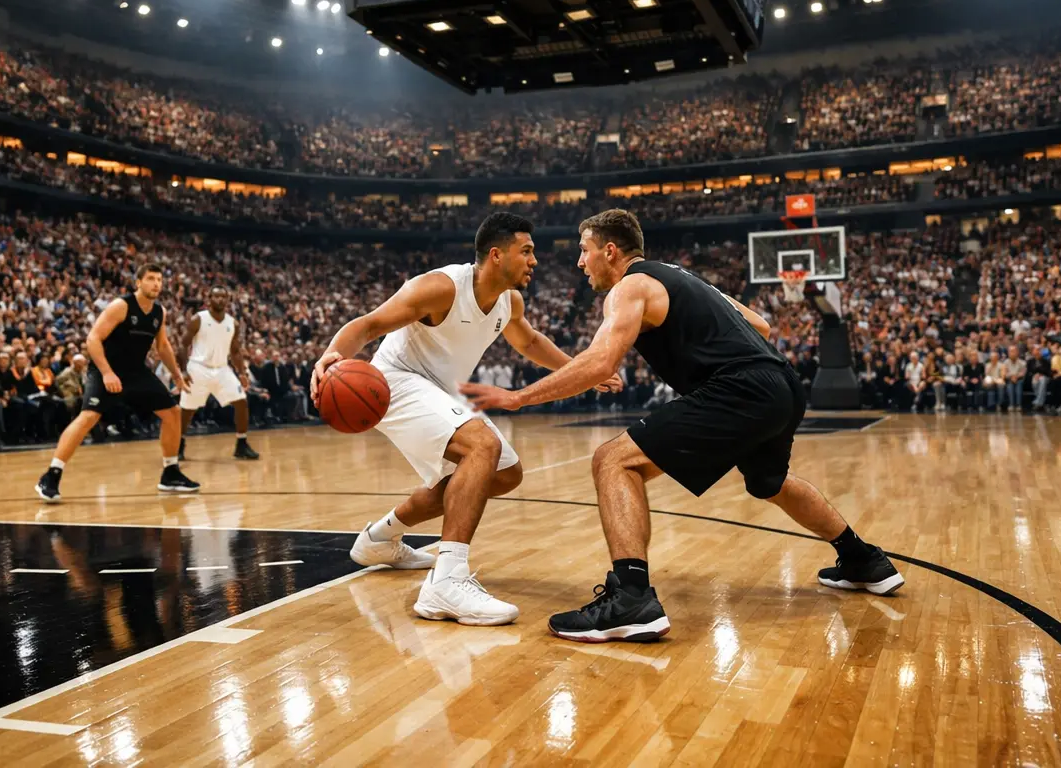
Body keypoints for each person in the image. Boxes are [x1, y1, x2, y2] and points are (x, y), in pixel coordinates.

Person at [463, 210, 902, 643]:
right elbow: (761, 326)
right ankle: (863, 559)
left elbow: (599, 362)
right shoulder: (683, 277)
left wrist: (517, 397)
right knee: (770, 483)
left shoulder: (630, 286)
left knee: (613, 460)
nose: (580, 262)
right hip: (782, 384)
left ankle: (631, 598)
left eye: (584, 250)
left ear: (610, 251)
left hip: (741, 389)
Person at [311, 212, 620, 627]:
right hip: (396, 380)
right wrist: (330, 357)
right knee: (482, 446)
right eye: (526, 251)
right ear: (496, 255)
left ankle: (380, 538)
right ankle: (446, 581)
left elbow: (529, 341)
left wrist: (581, 369)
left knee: (505, 474)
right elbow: (369, 325)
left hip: (442, 389)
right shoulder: (441, 287)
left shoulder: (510, 301)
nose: (534, 260)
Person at [35, 263, 197, 501]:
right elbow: (93, 339)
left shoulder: (159, 312)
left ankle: (170, 473)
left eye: (159, 280)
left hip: (136, 371)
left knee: (173, 413)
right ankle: (51, 475)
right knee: (89, 417)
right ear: (138, 282)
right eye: (151, 279)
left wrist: (177, 375)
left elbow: (162, 346)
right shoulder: (121, 306)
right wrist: (107, 372)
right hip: (105, 368)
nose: (156, 284)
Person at [176, 286, 260, 461]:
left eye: (223, 297)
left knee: (241, 401)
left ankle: (241, 444)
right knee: (187, 410)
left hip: (222, 369)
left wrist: (242, 373)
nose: (220, 299)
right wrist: (182, 370)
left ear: (227, 300)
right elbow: (183, 345)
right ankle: (179, 445)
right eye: (216, 296)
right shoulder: (198, 319)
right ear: (209, 299)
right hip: (198, 368)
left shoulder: (233, 323)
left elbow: (235, 351)